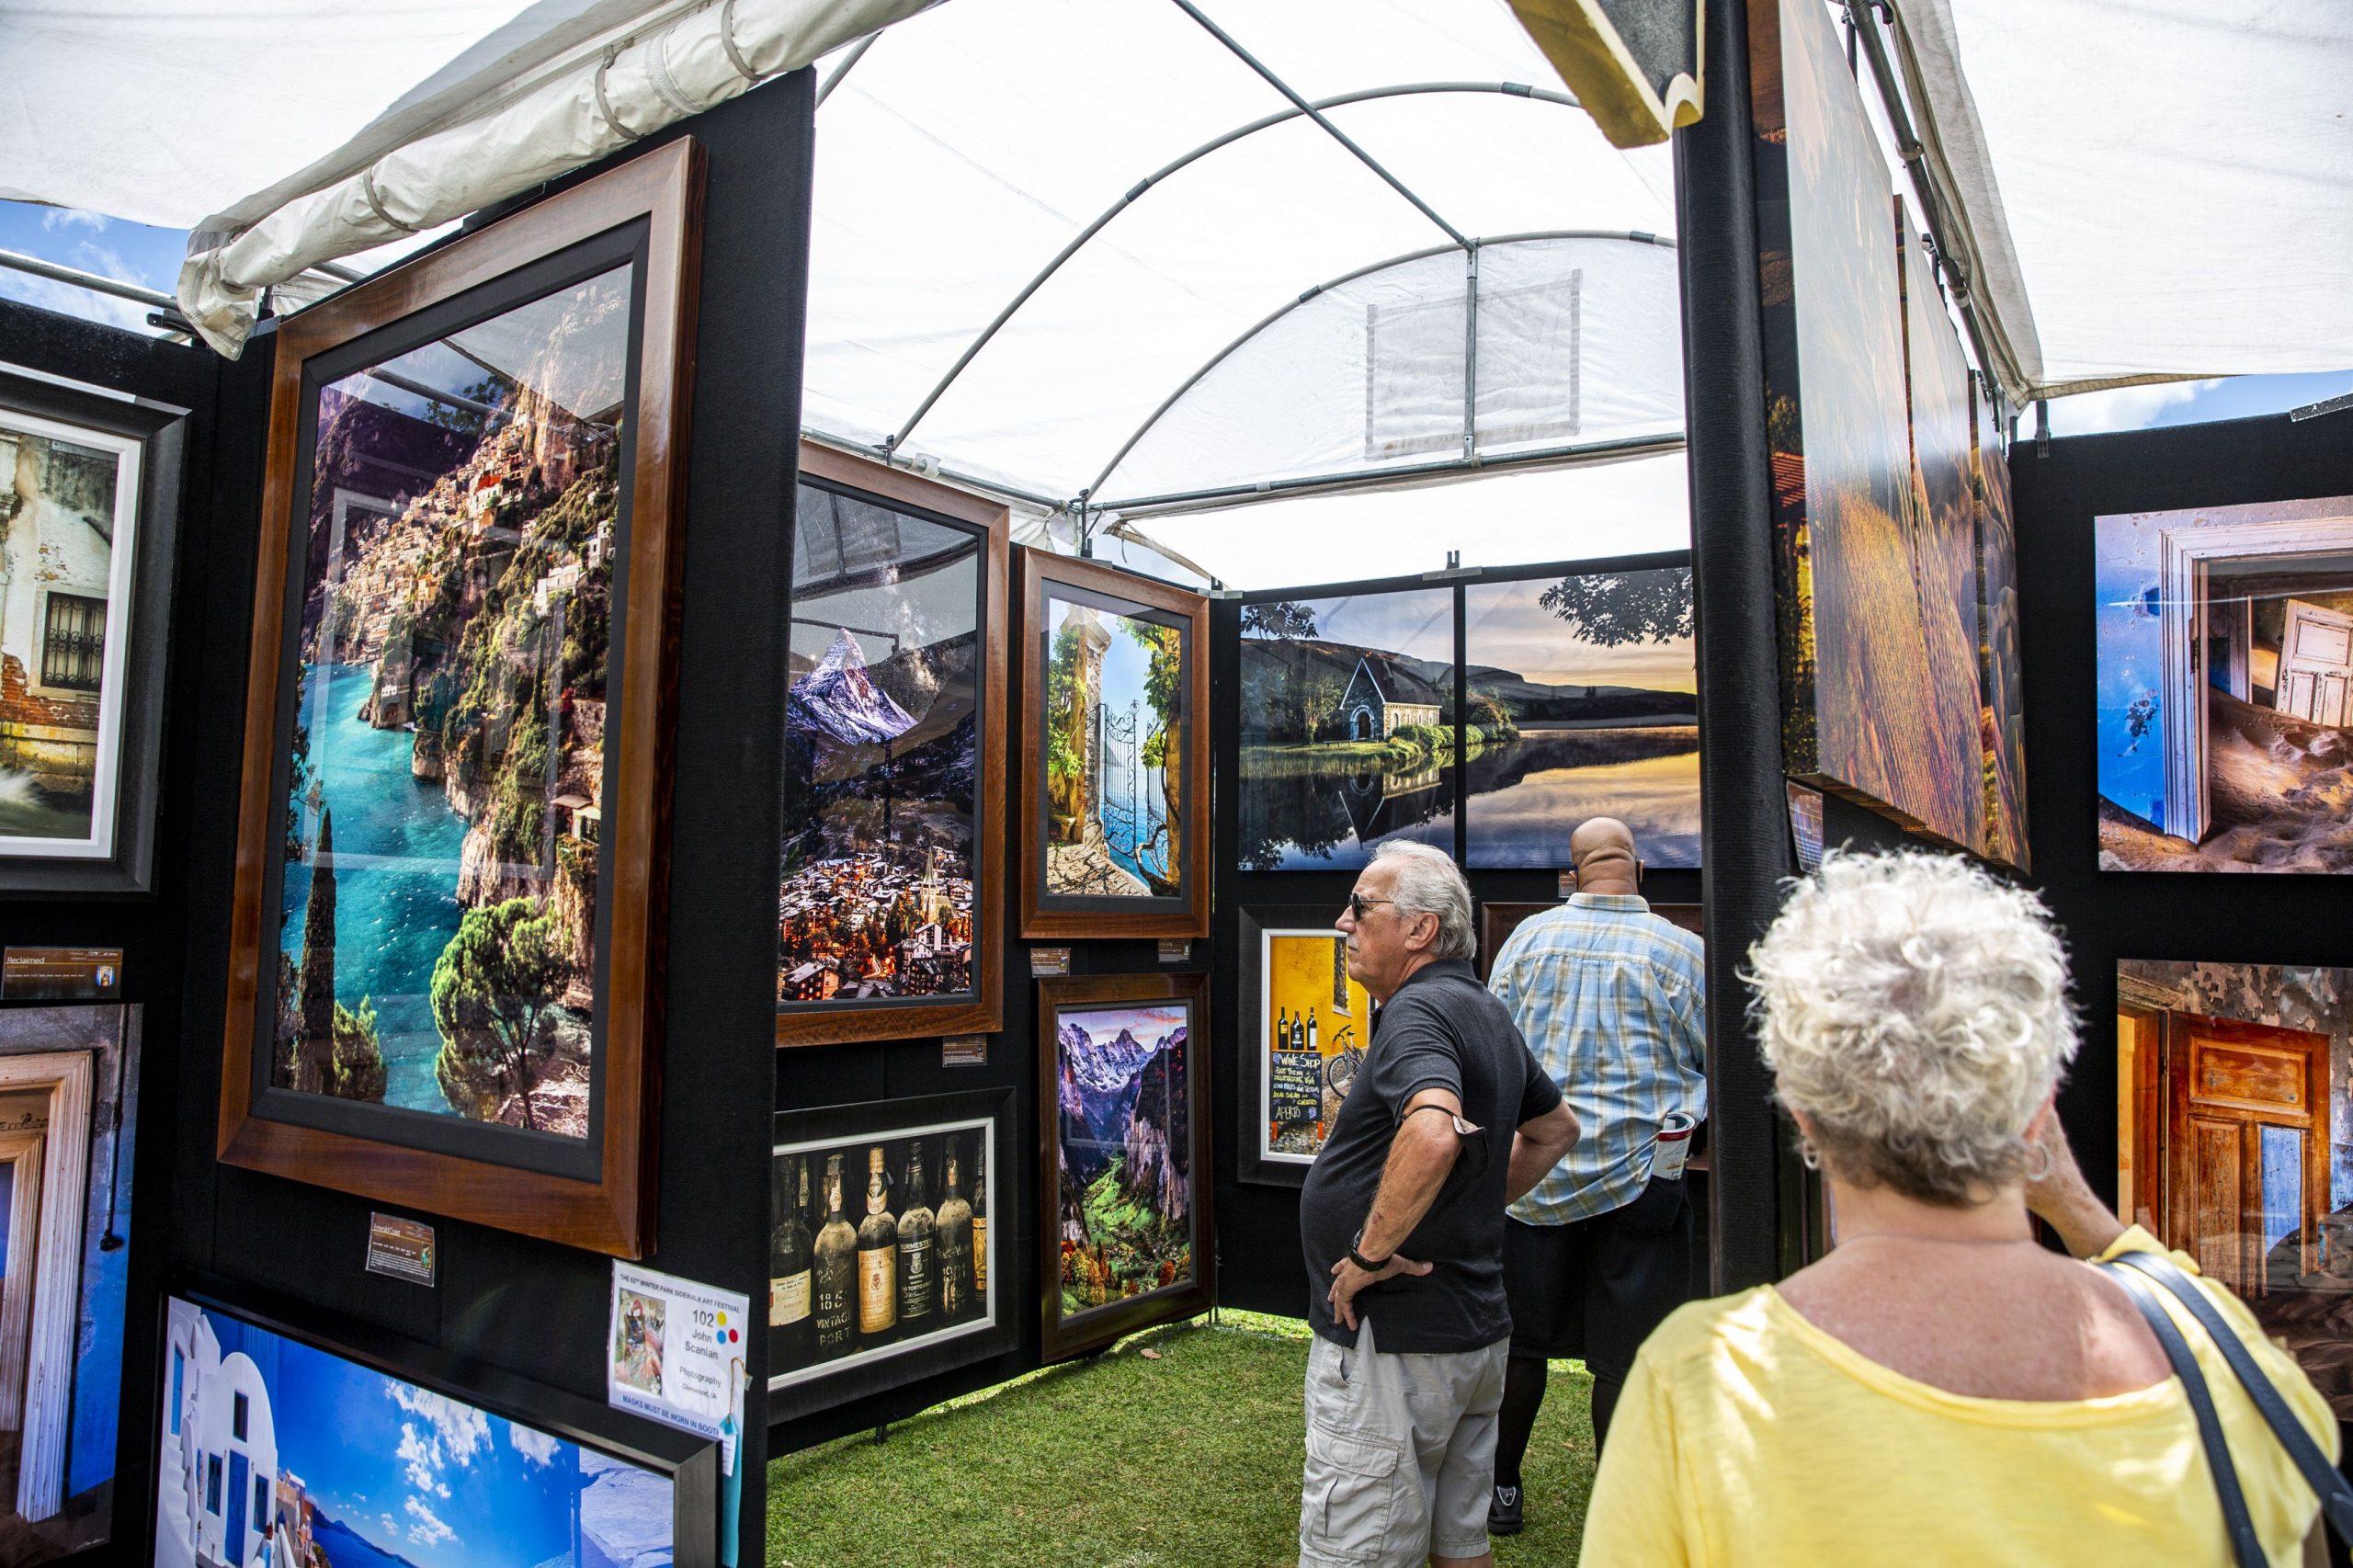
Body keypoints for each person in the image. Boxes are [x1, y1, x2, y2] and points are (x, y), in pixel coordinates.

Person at [1581, 851, 2337, 1566]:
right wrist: (2077, 1206)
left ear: (1803, 1112)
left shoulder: (1708, 1379)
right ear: (2041, 1112)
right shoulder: (2222, 1356)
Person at [1297, 840, 1581, 1568]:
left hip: (1398, 1345)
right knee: (1460, 1546)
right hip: (1471, 1338)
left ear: (1420, 929)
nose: (1342, 922)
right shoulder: (1479, 1007)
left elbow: (1432, 1133)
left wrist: (1367, 1255)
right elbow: (1555, 1130)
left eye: (1361, 907)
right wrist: (1468, 1207)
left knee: (1356, 1554)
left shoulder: (1418, 1014)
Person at [1483, 816, 1705, 1535]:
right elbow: (1719, 1061)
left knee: (1519, 1344)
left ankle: (1502, 1493)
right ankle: (1618, 1511)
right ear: (1639, 870)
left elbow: (1496, 1053)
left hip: (1534, 1177)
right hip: (1644, 1180)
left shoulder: (1527, 941)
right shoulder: (1684, 953)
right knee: (1624, 1359)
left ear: (1571, 874)